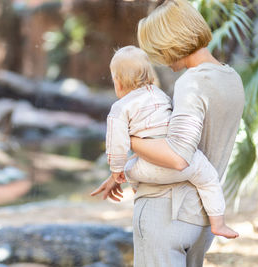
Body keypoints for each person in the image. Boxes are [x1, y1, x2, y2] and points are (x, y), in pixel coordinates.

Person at [91, 0, 245, 266]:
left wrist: (127, 137)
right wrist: (122, 172)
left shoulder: (191, 82)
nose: (158, 58)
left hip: (166, 211)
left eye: (158, 49)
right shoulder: (231, 78)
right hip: (203, 217)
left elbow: (177, 156)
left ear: (171, 41)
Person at [92, 44, 238, 238]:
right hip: (186, 163)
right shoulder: (161, 97)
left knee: (129, 169)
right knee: (209, 179)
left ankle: (139, 193)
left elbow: (116, 145)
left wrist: (117, 172)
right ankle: (218, 223)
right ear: (151, 75)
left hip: (152, 170)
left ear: (117, 82)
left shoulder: (120, 108)